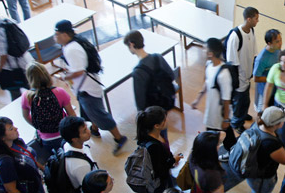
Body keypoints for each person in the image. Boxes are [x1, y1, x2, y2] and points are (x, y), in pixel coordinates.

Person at [53, 20, 127, 154]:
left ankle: (119, 138)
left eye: (57, 34)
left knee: (99, 114)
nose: (55, 37)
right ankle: (94, 129)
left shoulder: (72, 49)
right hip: (86, 88)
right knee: (90, 112)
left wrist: (64, 77)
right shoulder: (75, 43)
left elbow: (79, 71)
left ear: (64, 34)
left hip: (87, 89)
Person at [223, 106, 285, 192]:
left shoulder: (257, 125)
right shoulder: (271, 144)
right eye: (283, 119)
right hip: (262, 179)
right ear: (277, 124)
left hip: (251, 172)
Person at [21, 62, 76, 164]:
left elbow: (25, 116)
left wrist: (37, 126)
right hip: (63, 133)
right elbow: (72, 115)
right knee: (70, 158)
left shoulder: (27, 96)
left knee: (57, 160)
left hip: (46, 138)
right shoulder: (59, 92)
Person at [191, 38, 236, 153]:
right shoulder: (209, 65)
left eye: (205, 48)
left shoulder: (224, 74)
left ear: (210, 53)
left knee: (224, 138)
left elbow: (227, 99)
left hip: (219, 114)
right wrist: (197, 99)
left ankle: (235, 155)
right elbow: (207, 83)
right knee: (218, 136)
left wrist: (226, 119)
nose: (203, 50)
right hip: (211, 112)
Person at [0, 117, 44, 193]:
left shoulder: (17, 142)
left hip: (37, 184)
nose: (16, 128)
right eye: (11, 129)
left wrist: (43, 169)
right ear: (2, 137)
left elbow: (30, 158)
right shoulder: (5, 162)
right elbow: (11, 190)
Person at [124, 30, 176, 111]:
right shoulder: (158, 57)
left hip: (153, 110)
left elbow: (140, 102)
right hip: (166, 100)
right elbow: (172, 75)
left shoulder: (138, 72)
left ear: (131, 44)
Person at [225, 6, 258, 133]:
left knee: (246, 101)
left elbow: (254, 53)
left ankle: (242, 115)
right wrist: (237, 82)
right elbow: (232, 62)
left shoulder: (251, 31)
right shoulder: (235, 36)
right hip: (239, 78)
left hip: (247, 76)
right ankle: (236, 123)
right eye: (256, 19)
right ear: (248, 19)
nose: (257, 21)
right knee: (239, 103)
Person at [136, 106, 183, 192]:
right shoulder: (153, 147)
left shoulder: (158, 133)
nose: (167, 121)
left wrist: (171, 158)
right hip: (159, 183)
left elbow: (165, 152)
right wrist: (173, 160)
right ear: (156, 126)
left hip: (165, 174)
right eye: (164, 120)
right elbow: (159, 170)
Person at [60, 116, 99, 191]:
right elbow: (88, 188)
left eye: (86, 127)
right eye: (84, 131)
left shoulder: (67, 144)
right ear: (74, 139)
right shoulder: (81, 166)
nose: (88, 131)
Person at [252, 29, 282, 111]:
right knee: (261, 112)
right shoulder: (261, 59)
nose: (280, 43)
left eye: (280, 40)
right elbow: (255, 78)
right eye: (277, 41)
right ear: (269, 43)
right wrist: (272, 79)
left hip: (275, 90)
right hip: (264, 91)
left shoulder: (278, 50)